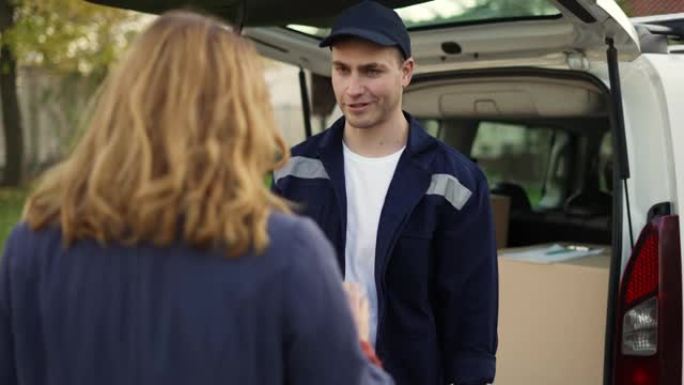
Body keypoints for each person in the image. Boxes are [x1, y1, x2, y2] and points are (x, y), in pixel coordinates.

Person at [0, 11, 393, 385]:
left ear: (122, 102)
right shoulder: (282, 252)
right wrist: (356, 343)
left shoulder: (33, 245)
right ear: (241, 114)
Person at [272, 2, 498, 385]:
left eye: (371, 71)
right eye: (341, 69)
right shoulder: (292, 170)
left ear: (405, 72)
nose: (353, 88)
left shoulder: (456, 183)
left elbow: (471, 315)